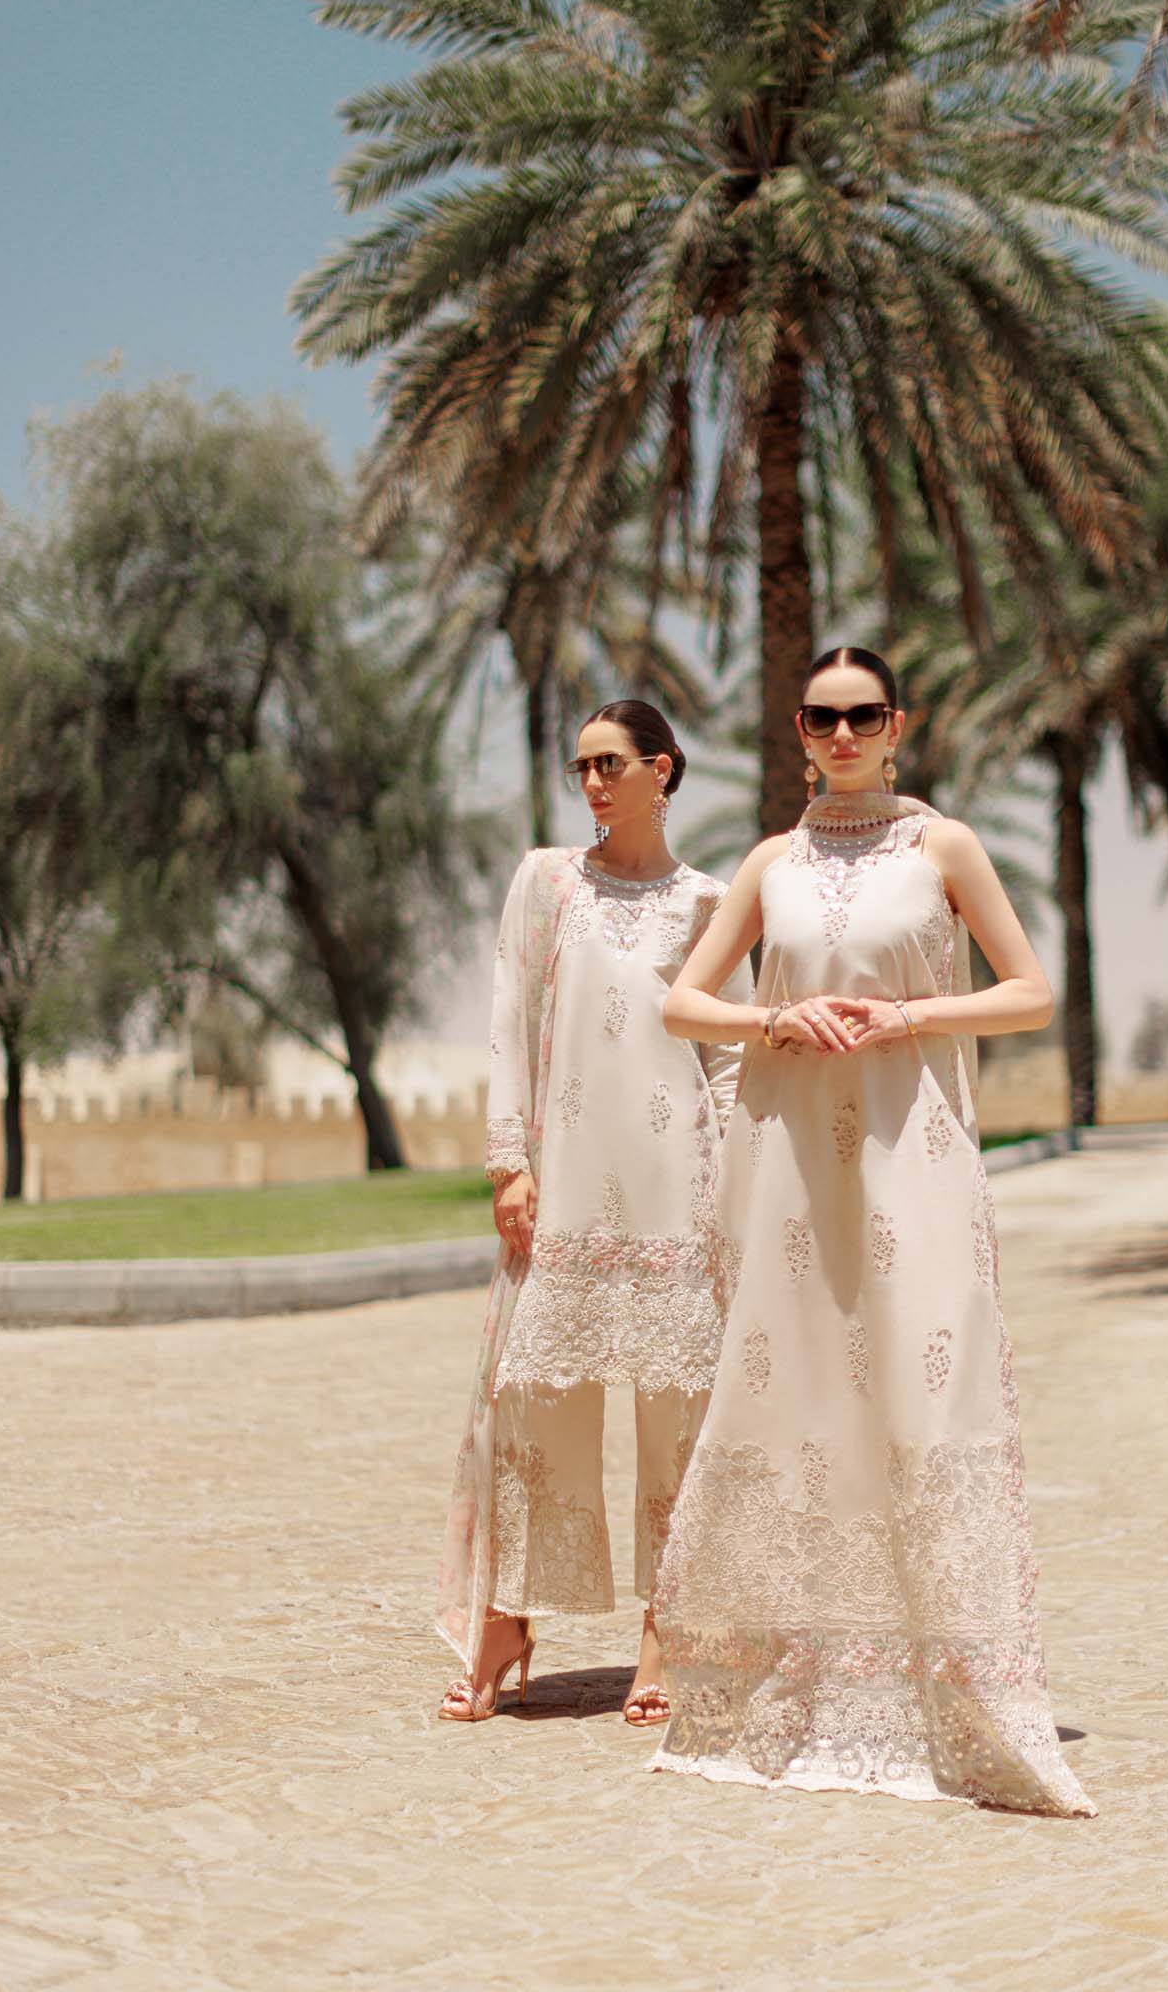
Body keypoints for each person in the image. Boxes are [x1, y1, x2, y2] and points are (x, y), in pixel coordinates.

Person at [649, 647, 1095, 1815]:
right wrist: (772, 1017)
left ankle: (949, 1684)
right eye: (819, 716)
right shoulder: (770, 863)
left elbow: (1028, 991)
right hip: (789, 1167)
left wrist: (904, 1015)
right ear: (798, 731)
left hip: (915, 1160)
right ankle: (792, 1676)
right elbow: (680, 1000)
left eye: (861, 714)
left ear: (898, 724)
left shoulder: (943, 847)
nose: (840, 733)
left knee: (920, 1389)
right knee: (799, 1393)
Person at [436, 699, 752, 1725]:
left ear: (663, 769)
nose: (592, 783)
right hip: (564, 1181)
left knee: (677, 1411)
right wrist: (507, 1161)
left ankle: (667, 1624)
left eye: (610, 763)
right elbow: (508, 1012)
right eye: (581, 767)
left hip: (676, 1187)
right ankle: (505, 1618)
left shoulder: (708, 903)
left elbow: (727, 1059)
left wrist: (736, 1192)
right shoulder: (547, 883)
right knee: (531, 1402)